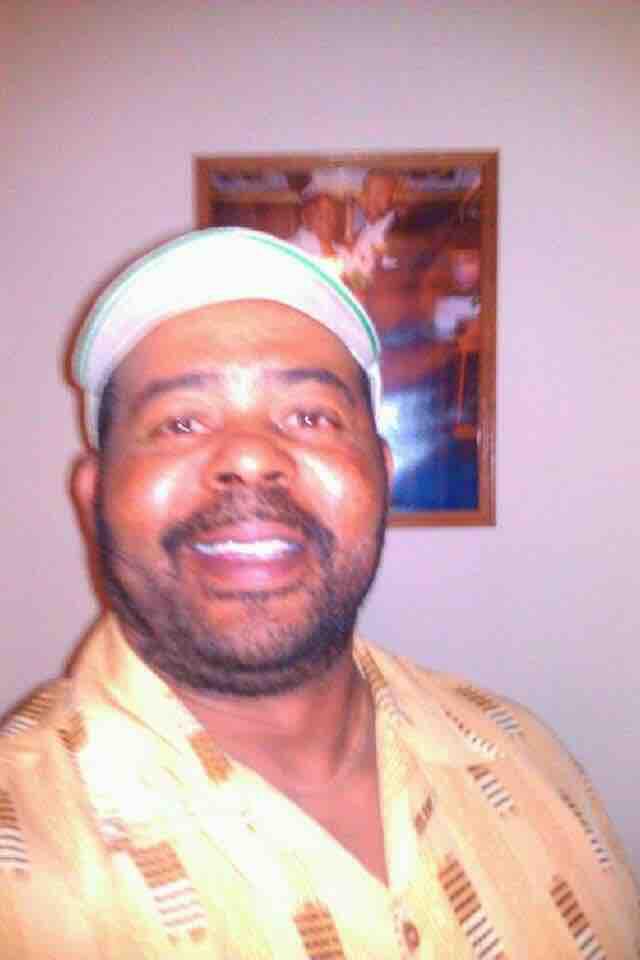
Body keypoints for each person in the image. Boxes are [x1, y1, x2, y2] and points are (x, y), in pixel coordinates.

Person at [0, 228, 637, 958]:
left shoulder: (523, 753)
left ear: (381, 477)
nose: (249, 457)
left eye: (310, 416)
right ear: (93, 497)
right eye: (180, 422)